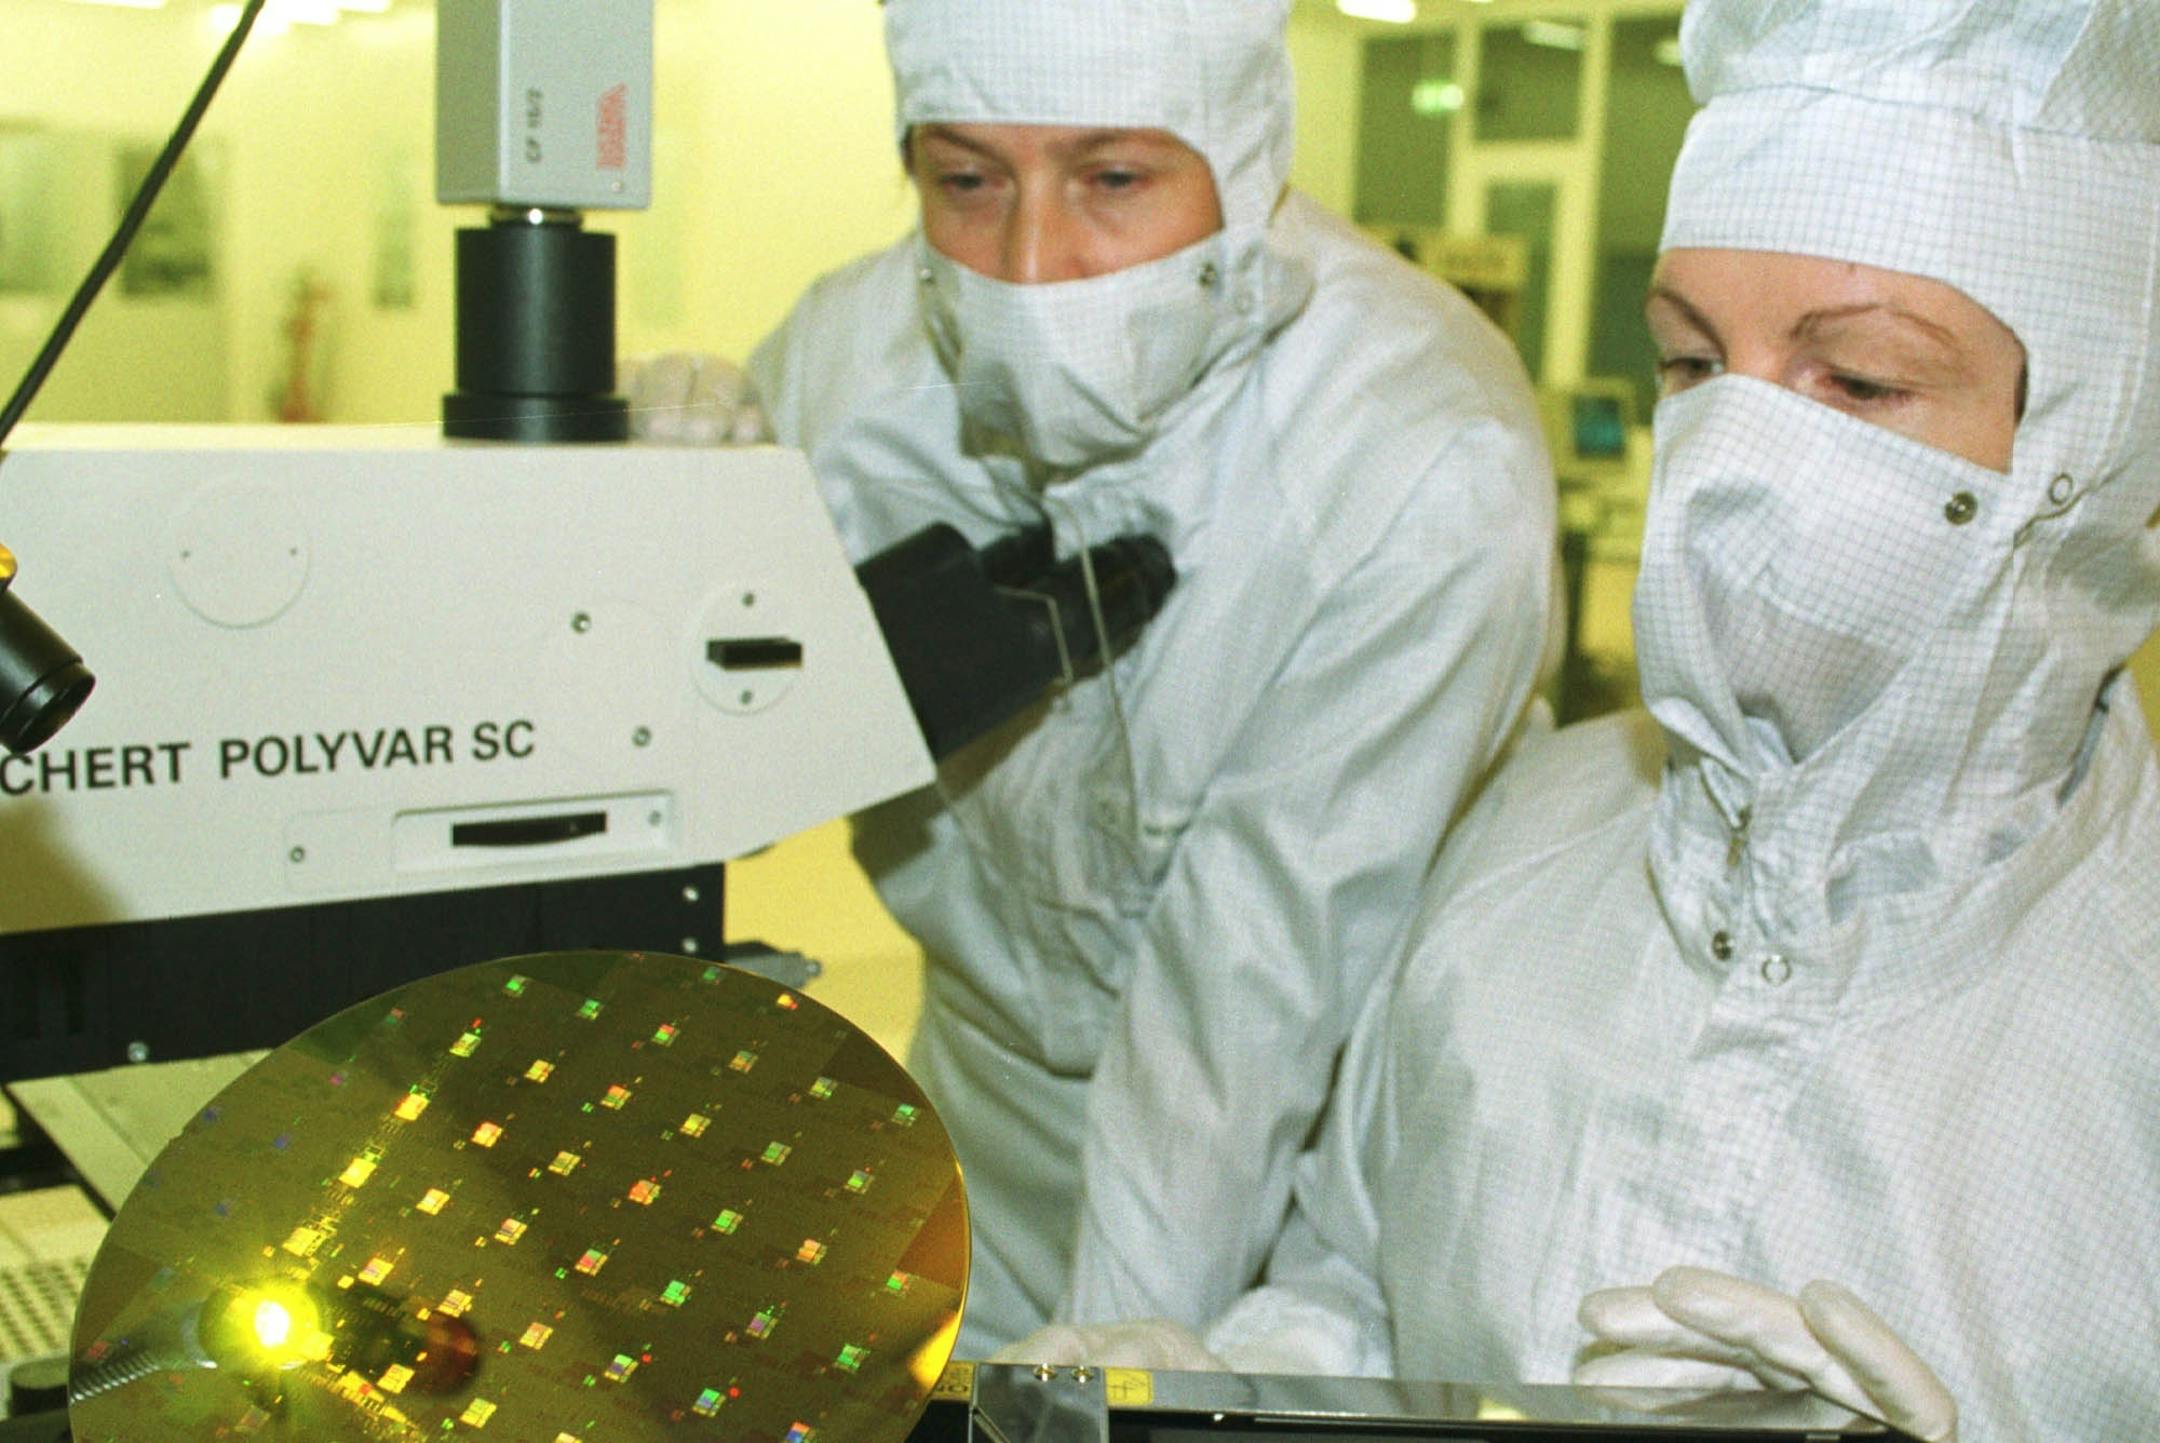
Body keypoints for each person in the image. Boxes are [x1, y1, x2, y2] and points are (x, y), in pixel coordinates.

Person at [1010, 2, 2160, 1439]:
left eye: (1856, 380)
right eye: (1691, 365)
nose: (1734, 461)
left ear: (2096, 458)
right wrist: (1229, 1390)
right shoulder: (1532, 834)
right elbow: (1363, 1291)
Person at [641, 0, 1558, 1353]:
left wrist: (1118, 1354)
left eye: (1114, 178)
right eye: (966, 180)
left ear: (1240, 159)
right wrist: (641, 574)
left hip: (1312, 1178)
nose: (1032, 261)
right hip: (976, 1125)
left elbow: (1249, 982)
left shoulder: (1412, 452)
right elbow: (707, 781)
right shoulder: (854, 363)